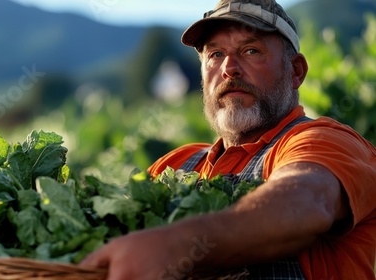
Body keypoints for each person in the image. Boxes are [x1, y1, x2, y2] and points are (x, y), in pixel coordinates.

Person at [79, 0, 376, 279]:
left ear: (295, 71)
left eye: (251, 51)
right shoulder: (176, 165)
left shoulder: (324, 141)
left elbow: (306, 201)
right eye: (215, 54)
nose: (228, 68)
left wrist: (174, 245)